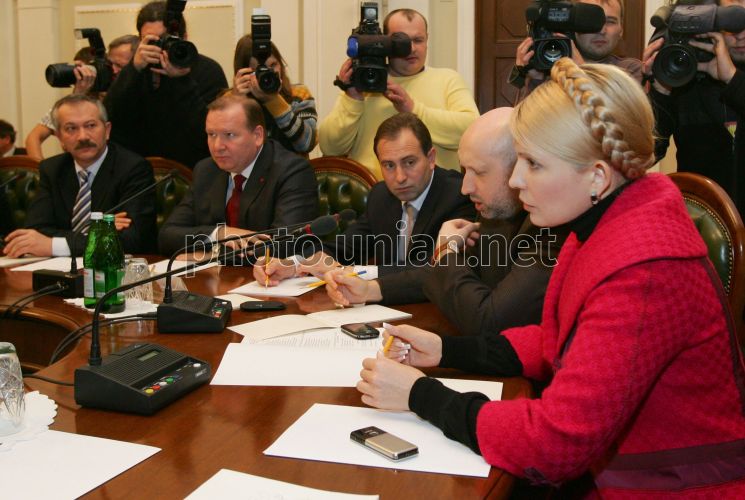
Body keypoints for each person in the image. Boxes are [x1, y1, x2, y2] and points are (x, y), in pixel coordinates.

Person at [356, 58, 745, 496]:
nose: (517, 180)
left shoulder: (645, 268)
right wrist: (448, 349)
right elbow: (558, 337)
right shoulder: (604, 224)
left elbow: (554, 442)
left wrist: (421, 395)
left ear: (596, 176)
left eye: (533, 164)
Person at [322, 108, 565, 336]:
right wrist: (370, 289)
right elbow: (443, 274)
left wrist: (445, 252)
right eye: (465, 171)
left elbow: (489, 321)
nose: (466, 187)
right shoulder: (494, 211)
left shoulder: (550, 229)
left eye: (479, 172)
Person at [254, 112, 475, 285]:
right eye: (389, 165)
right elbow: (346, 247)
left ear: (431, 158)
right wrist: (294, 264)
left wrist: (354, 273)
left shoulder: (458, 196)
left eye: (409, 162)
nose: (400, 177)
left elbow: (431, 269)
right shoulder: (382, 195)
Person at [319, 8, 479, 178]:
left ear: (427, 40)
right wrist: (352, 98)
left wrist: (412, 109)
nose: (411, 48)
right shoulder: (366, 83)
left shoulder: (447, 79)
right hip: (372, 189)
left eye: (418, 40)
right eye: (401, 42)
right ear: (384, 43)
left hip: (437, 191)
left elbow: (472, 133)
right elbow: (330, 148)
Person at [158, 93, 318, 258]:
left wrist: (209, 256)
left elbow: (284, 246)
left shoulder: (292, 172)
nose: (217, 146)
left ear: (257, 136)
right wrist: (219, 233)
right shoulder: (206, 170)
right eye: (211, 134)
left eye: (229, 135)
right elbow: (167, 236)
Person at [3, 94, 157, 257]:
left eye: (91, 125)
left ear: (107, 130)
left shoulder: (133, 168)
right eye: (71, 128)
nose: (83, 136)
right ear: (60, 137)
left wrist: (55, 245)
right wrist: (98, 231)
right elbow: (36, 231)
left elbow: (131, 239)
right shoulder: (52, 169)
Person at [644, 0, 745, 216]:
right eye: (732, 27)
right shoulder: (687, 80)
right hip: (701, 223)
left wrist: (732, 79)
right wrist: (660, 90)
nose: (741, 35)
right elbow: (646, 155)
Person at [104, 1, 228, 168]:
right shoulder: (135, 71)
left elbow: (209, 132)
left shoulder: (208, 70)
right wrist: (134, 69)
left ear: (184, 37)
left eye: (165, 39)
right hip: (136, 169)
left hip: (192, 170)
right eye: (151, 41)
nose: (160, 47)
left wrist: (182, 80)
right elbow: (110, 118)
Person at [510, 0, 642, 92]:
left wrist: (579, 71)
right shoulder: (550, 70)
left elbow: (619, 119)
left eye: (610, 22)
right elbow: (529, 123)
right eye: (590, 22)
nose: (601, 30)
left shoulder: (630, 71)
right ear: (573, 26)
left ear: (621, 29)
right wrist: (536, 80)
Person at [232, 35, 317, 155]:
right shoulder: (230, 99)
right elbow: (225, 148)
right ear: (243, 74)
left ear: (281, 64)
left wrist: (274, 100)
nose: (268, 74)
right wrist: (236, 103)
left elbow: (306, 144)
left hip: (291, 166)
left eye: (273, 65)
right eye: (258, 70)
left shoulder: (298, 94)